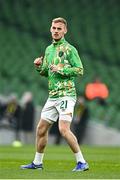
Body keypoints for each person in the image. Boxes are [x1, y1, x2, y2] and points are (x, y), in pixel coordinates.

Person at [21, 17, 89, 172]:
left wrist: (62, 70)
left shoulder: (70, 49)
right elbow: (46, 72)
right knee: (41, 129)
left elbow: (79, 70)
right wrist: (39, 66)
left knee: (63, 129)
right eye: (54, 28)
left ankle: (82, 162)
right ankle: (37, 163)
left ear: (65, 31)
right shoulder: (49, 49)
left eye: (59, 28)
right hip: (53, 96)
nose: (56, 31)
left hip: (66, 94)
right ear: (50, 29)